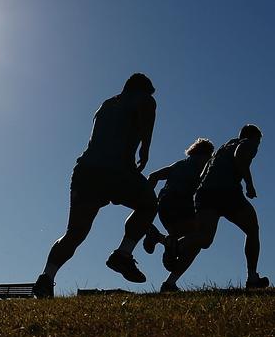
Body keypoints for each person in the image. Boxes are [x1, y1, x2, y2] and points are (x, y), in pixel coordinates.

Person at [33, 73, 158, 298]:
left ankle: (46, 278)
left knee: (75, 233)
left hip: (86, 173)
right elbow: (147, 115)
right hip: (116, 171)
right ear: (142, 89)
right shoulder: (144, 99)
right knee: (149, 204)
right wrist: (145, 149)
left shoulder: (106, 104)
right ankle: (123, 254)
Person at [160, 124, 269, 291]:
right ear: (255, 138)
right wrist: (249, 184)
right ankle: (252, 278)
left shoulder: (223, 148)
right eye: (259, 142)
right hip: (227, 192)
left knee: (204, 238)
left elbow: (204, 172)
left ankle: (170, 278)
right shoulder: (248, 143)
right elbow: (240, 156)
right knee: (252, 229)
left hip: (205, 194)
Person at [142, 138, 215, 274]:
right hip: (180, 204)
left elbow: (153, 176)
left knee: (183, 240)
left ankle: (159, 238)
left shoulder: (179, 164)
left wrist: (148, 202)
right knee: (198, 239)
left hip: (164, 206)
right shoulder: (204, 166)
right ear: (207, 154)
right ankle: (168, 253)